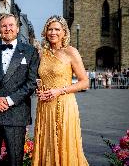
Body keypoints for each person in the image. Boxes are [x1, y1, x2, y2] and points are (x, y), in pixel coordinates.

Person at [0, 13, 38, 166]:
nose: (8, 29)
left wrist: (9, 100)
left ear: (17, 29)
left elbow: (31, 83)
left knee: (15, 161)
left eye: (11, 25)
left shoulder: (30, 52)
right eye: (4, 26)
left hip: (16, 114)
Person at [32, 15, 89, 165]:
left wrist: (59, 91)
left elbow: (84, 82)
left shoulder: (71, 52)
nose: (53, 32)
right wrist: (38, 91)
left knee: (64, 143)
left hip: (64, 105)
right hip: (45, 106)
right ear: (45, 32)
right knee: (47, 143)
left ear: (64, 32)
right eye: (50, 29)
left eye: (57, 29)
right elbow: (39, 78)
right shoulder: (41, 53)